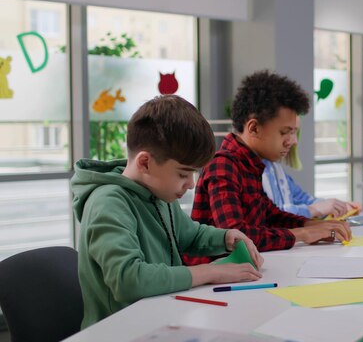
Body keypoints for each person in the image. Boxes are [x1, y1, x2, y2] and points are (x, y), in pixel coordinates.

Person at [72, 95, 264, 329]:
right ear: (145, 163)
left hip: (161, 319)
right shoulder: (108, 203)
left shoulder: (158, 192)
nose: (191, 183)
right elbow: (128, 280)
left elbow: (188, 234)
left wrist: (226, 237)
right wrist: (211, 272)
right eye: (183, 174)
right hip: (121, 331)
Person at [190, 70, 351, 256]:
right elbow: (236, 236)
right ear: (254, 128)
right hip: (213, 278)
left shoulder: (250, 165)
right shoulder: (224, 167)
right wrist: (302, 233)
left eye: (293, 133)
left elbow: (270, 215)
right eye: (285, 132)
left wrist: (312, 224)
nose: (293, 141)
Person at [261, 150, 361, 218]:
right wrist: (313, 210)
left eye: (296, 133)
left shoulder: (275, 167)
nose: (294, 141)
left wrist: (336, 206)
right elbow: (269, 216)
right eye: (284, 132)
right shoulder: (253, 172)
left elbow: (301, 198)